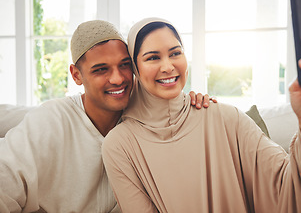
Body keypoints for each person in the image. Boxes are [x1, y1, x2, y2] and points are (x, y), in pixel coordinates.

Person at [102, 17, 301, 213]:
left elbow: (292, 192)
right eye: (153, 57)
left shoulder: (226, 118)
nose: (168, 66)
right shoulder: (120, 145)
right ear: (135, 68)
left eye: (175, 53)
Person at [0, 20, 213, 213]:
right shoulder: (51, 120)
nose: (118, 79)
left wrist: (189, 103)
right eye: (101, 70)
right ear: (76, 75)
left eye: (124, 65)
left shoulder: (146, 116)